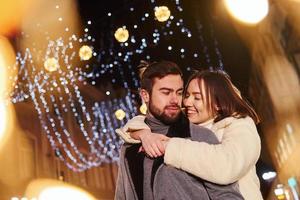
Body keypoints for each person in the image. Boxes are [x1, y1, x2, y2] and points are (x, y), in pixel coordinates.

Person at [117, 70, 263, 200]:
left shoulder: (240, 125)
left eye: (197, 98)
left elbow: (227, 165)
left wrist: (168, 146)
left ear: (218, 103)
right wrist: (145, 135)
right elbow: (143, 119)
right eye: (186, 95)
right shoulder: (188, 123)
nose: (187, 102)